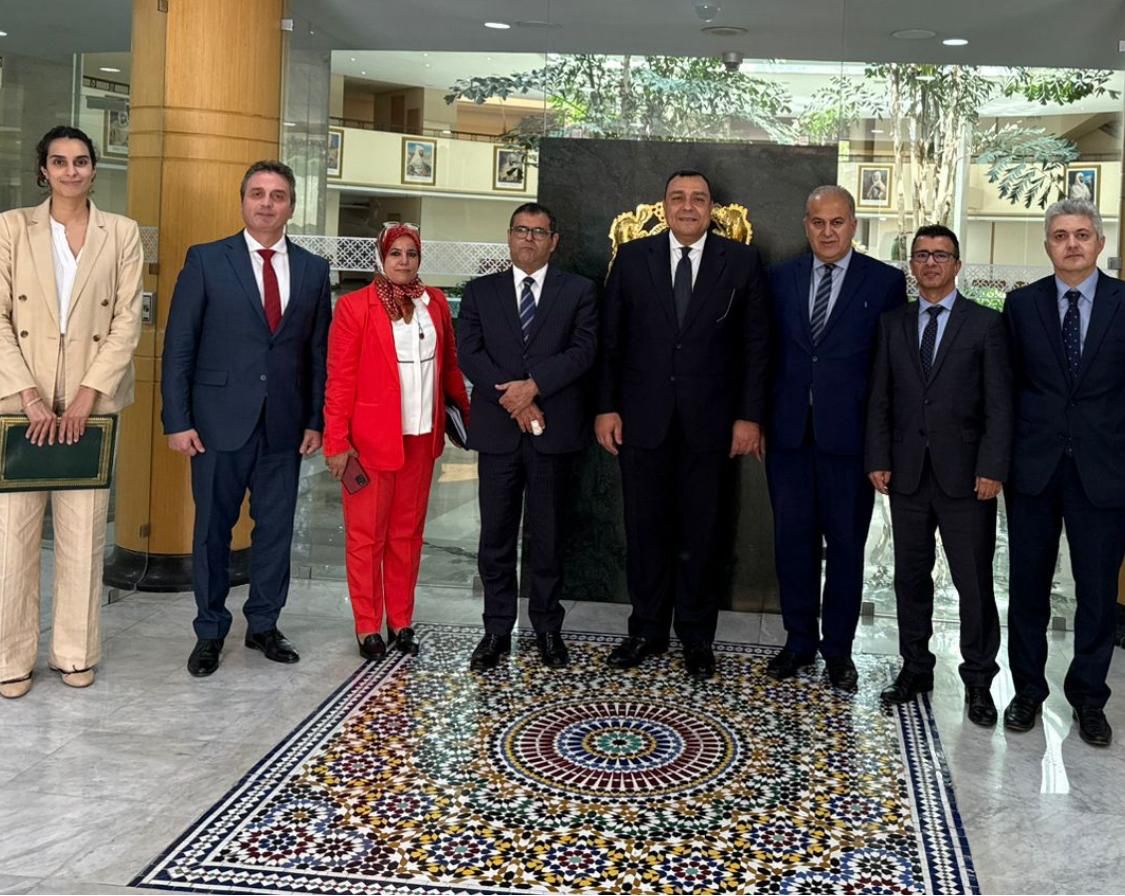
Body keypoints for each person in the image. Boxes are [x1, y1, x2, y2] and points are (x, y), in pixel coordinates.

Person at [594, 170, 770, 681]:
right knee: (645, 531)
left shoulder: (741, 261)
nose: (688, 207)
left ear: (712, 208)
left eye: (698, 199)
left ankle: (696, 637)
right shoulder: (632, 258)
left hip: (711, 425)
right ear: (665, 206)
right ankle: (646, 631)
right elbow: (610, 341)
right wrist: (605, 407)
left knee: (702, 534)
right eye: (678, 198)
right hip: (642, 422)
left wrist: (749, 416)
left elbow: (757, 345)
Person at [162, 160, 331, 678]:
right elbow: (180, 346)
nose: (266, 203)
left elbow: (317, 354)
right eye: (257, 193)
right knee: (213, 530)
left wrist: (315, 419)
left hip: (284, 425)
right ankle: (210, 630)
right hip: (217, 423)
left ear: (291, 206)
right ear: (242, 201)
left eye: (277, 195)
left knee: (276, 530)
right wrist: (177, 420)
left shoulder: (313, 269)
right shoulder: (207, 260)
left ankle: (264, 624)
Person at [0, 126, 143, 699]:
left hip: (92, 402)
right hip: (20, 401)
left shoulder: (121, 233)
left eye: (80, 161)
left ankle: (75, 652)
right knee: (14, 535)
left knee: (84, 533)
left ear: (93, 169)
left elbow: (127, 319)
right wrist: (28, 395)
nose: (70, 171)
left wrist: (89, 392)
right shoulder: (11, 228)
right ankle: (11, 656)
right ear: (44, 170)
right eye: (59, 162)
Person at [865, 224, 1012, 726]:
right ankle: (915, 668)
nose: (931, 263)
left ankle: (979, 680)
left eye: (941, 255)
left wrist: (992, 467)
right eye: (922, 255)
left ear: (957, 265)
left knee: (973, 583)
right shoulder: (892, 324)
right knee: (909, 577)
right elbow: (880, 398)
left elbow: (999, 405)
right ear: (911, 265)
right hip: (906, 474)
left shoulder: (986, 324)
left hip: (967, 478)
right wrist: (877, 457)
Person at [765, 185, 907, 690]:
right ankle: (799, 641)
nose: (828, 232)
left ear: (853, 225)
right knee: (793, 544)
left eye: (838, 222)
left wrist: (883, 446)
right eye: (818, 222)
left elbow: (890, 370)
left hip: (850, 443)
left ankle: (840, 651)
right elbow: (764, 354)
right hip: (788, 439)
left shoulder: (885, 282)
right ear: (806, 225)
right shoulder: (779, 277)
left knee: (846, 548)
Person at [1003, 198, 1125, 747]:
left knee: (1096, 593)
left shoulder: (1124, 303)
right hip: (1034, 469)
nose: (1071, 244)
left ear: (1099, 242)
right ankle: (1027, 691)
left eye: (1081, 234)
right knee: (1028, 587)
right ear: (1047, 244)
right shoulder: (1021, 305)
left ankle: (1089, 699)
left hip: (1105, 471)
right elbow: (1006, 389)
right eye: (1060, 235)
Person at [458, 203, 597, 671]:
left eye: (539, 232)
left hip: (553, 434)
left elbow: (584, 351)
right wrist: (515, 400)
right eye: (521, 230)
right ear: (509, 236)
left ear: (553, 241)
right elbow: (469, 352)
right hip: (499, 435)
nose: (529, 239)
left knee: (548, 536)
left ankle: (547, 629)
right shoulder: (480, 291)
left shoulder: (578, 291)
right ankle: (496, 629)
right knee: (495, 536)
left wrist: (534, 386)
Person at [322, 224, 469, 661]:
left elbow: (449, 367)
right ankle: (368, 625)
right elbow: (339, 379)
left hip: (421, 439)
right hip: (369, 443)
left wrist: (463, 419)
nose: (404, 261)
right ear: (381, 258)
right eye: (395, 254)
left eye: (411, 253)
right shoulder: (355, 307)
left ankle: (401, 621)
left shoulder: (434, 303)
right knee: (366, 537)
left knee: (407, 535)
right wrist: (336, 440)